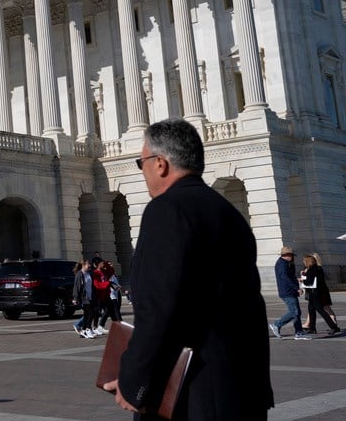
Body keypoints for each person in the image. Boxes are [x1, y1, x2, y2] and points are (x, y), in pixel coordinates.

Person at [103, 118, 273, 419]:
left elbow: (158, 308)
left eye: (140, 162)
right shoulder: (227, 213)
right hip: (239, 385)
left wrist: (134, 382)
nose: (141, 171)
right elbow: (251, 306)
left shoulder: (166, 210)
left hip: (190, 393)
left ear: (160, 164)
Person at [270, 247, 309, 340]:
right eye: (291, 255)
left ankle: (299, 332)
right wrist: (296, 288)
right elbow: (285, 278)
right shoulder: (282, 264)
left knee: (296, 312)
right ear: (286, 255)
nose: (292, 257)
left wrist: (297, 282)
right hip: (287, 291)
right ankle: (276, 324)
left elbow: (289, 277)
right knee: (294, 312)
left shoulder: (286, 263)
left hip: (290, 290)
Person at [301, 253, 339, 335]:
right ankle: (312, 328)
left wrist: (303, 279)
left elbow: (308, 282)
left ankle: (334, 327)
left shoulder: (311, 270)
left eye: (304, 261)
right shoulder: (318, 268)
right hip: (316, 292)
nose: (303, 263)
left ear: (307, 262)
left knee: (321, 311)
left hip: (314, 293)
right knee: (311, 310)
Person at [72, 260, 96, 339]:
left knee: (86, 314)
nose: (89, 266)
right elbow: (77, 287)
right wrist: (75, 298)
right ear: (83, 265)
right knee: (90, 313)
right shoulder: (79, 274)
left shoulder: (89, 273)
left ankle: (83, 331)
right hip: (84, 297)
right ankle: (88, 329)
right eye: (88, 264)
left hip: (90, 296)